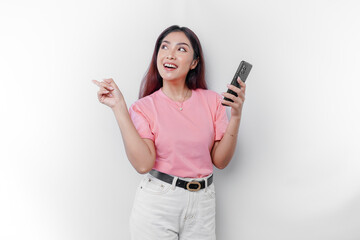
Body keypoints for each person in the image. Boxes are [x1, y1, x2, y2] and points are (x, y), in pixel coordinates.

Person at [92, 25, 246, 240]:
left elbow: (220, 161)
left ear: (194, 62)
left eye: (181, 49)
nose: (170, 54)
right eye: (164, 47)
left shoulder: (213, 101)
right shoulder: (143, 108)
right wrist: (119, 107)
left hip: (203, 203)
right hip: (158, 202)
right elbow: (143, 164)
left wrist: (236, 116)